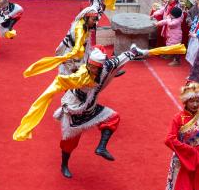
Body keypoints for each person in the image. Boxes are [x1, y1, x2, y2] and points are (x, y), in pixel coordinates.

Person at [14, 46, 150, 178]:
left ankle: (101, 147)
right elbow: (61, 81)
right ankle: (64, 165)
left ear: (101, 67)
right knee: (69, 143)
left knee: (113, 117)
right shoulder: (80, 75)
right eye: (90, 67)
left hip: (91, 108)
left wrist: (134, 51)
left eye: (95, 68)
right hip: (74, 112)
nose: (92, 70)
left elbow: (121, 58)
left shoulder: (106, 67)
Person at [24, 0, 114, 77]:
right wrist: (74, 69)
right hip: (71, 58)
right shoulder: (79, 31)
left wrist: (101, 3)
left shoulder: (89, 19)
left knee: (98, 53)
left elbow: (96, 11)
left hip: (81, 53)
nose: (95, 22)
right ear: (87, 18)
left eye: (95, 19)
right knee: (70, 79)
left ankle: (105, 69)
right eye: (94, 20)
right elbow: (70, 53)